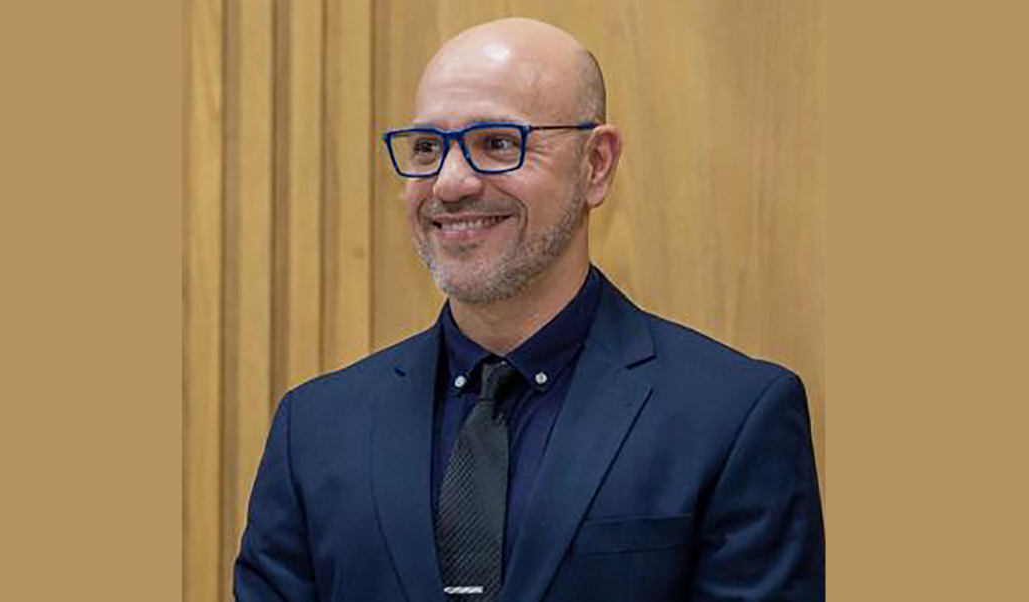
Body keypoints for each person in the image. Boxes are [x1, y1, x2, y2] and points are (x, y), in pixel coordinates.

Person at [234, 17, 824, 602]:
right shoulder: (312, 430)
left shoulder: (732, 419)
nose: (450, 183)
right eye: (428, 147)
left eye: (497, 143)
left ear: (596, 164)